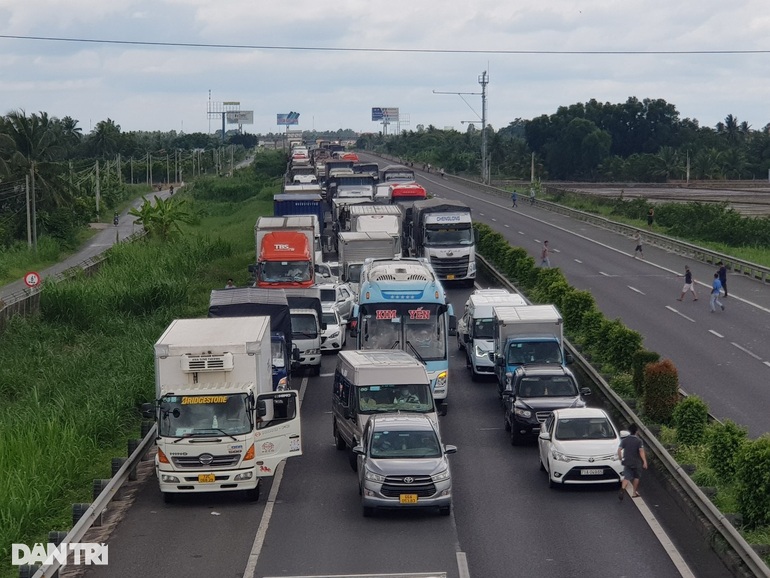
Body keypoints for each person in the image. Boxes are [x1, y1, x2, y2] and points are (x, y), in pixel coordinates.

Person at [618, 423, 647, 500]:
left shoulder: (625, 440)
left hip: (627, 461)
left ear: (629, 431)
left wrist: (620, 458)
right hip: (636, 462)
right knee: (636, 477)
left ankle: (622, 489)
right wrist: (644, 461)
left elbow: (619, 449)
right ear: (637, 431)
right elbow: (641, 451)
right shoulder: (639, 441)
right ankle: (634, 492)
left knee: (626, 477)